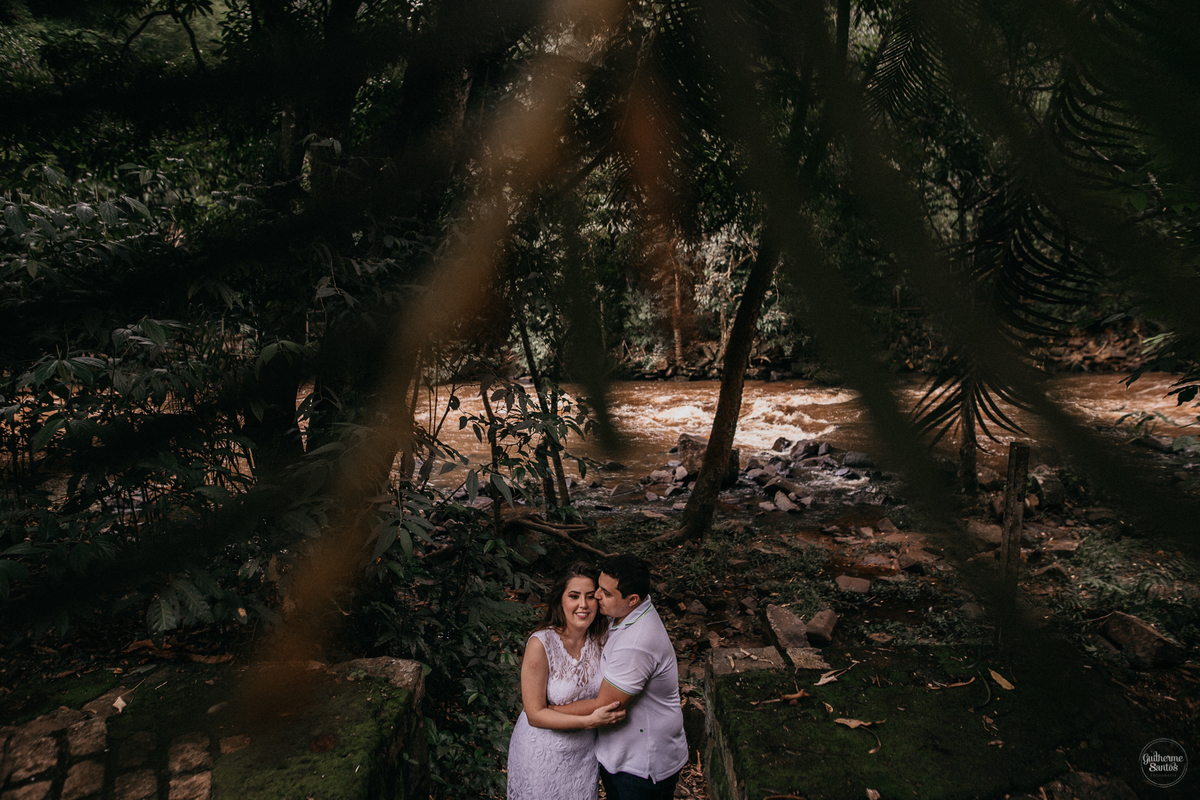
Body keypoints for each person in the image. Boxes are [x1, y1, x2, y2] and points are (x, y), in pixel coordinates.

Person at [551, 554, 688, 800]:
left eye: (606, 592)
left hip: (641, 766)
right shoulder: (627, 611)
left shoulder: (636, 644)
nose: (597, 596)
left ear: (632, 599)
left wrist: (551, 711)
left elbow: (605, 705)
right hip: (622, 755)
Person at [507, 562, 626, 800]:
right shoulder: (541, 644)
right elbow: (535, 714)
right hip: (542, 755)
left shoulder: (605, 636)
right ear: (560, 600)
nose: (583, 605)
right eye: (574, 596)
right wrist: (589, 721)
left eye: (590, 596)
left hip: (583, 758)